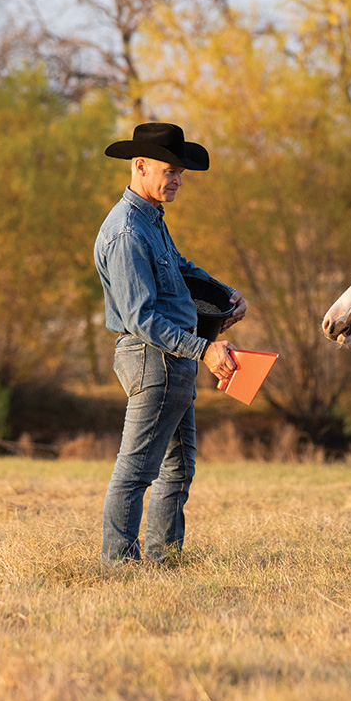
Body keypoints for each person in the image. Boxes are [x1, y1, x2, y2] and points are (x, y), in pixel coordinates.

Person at [93, 122, 246, 565]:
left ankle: (164, 561)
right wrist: (205, 350)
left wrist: (223, 293)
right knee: (137, 471)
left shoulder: (150, 219)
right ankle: (119, 566)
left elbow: (179, 266)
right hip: (152, 358)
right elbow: (141, 318)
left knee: (177, 469)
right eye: (169, 170)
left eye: (181, 172)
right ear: (139, 166)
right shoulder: (126, 232)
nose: (177, 179)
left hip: (172, 360)